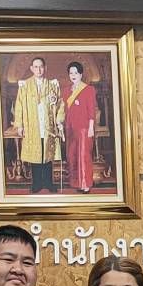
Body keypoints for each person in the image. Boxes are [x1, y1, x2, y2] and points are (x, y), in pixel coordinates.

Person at [12, 56, 62, 193]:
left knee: (47, 154)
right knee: (35, 155)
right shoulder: (25, 86)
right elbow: (19, 106)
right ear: (31, 68)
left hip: (47, 126)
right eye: (36, 67)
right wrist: (20, 125)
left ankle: (48, 183)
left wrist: (59, 121)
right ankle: (37, 183)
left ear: (45, 68)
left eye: (41, 67)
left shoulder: (52, 85)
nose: (38, 69)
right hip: (32, 125)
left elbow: (60, 104)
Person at [61, 61, 97, 193]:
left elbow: (91, 110)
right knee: (72, 156)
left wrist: (91, 128)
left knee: (83, 156)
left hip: (84, 128)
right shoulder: (66, 91)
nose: (73, 75)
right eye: (71, 73)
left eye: (76, 73)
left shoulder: (88, 89)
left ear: (81, 74)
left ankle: (85, 184)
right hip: (70, 128)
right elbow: (63, 109)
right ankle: (76, 182)